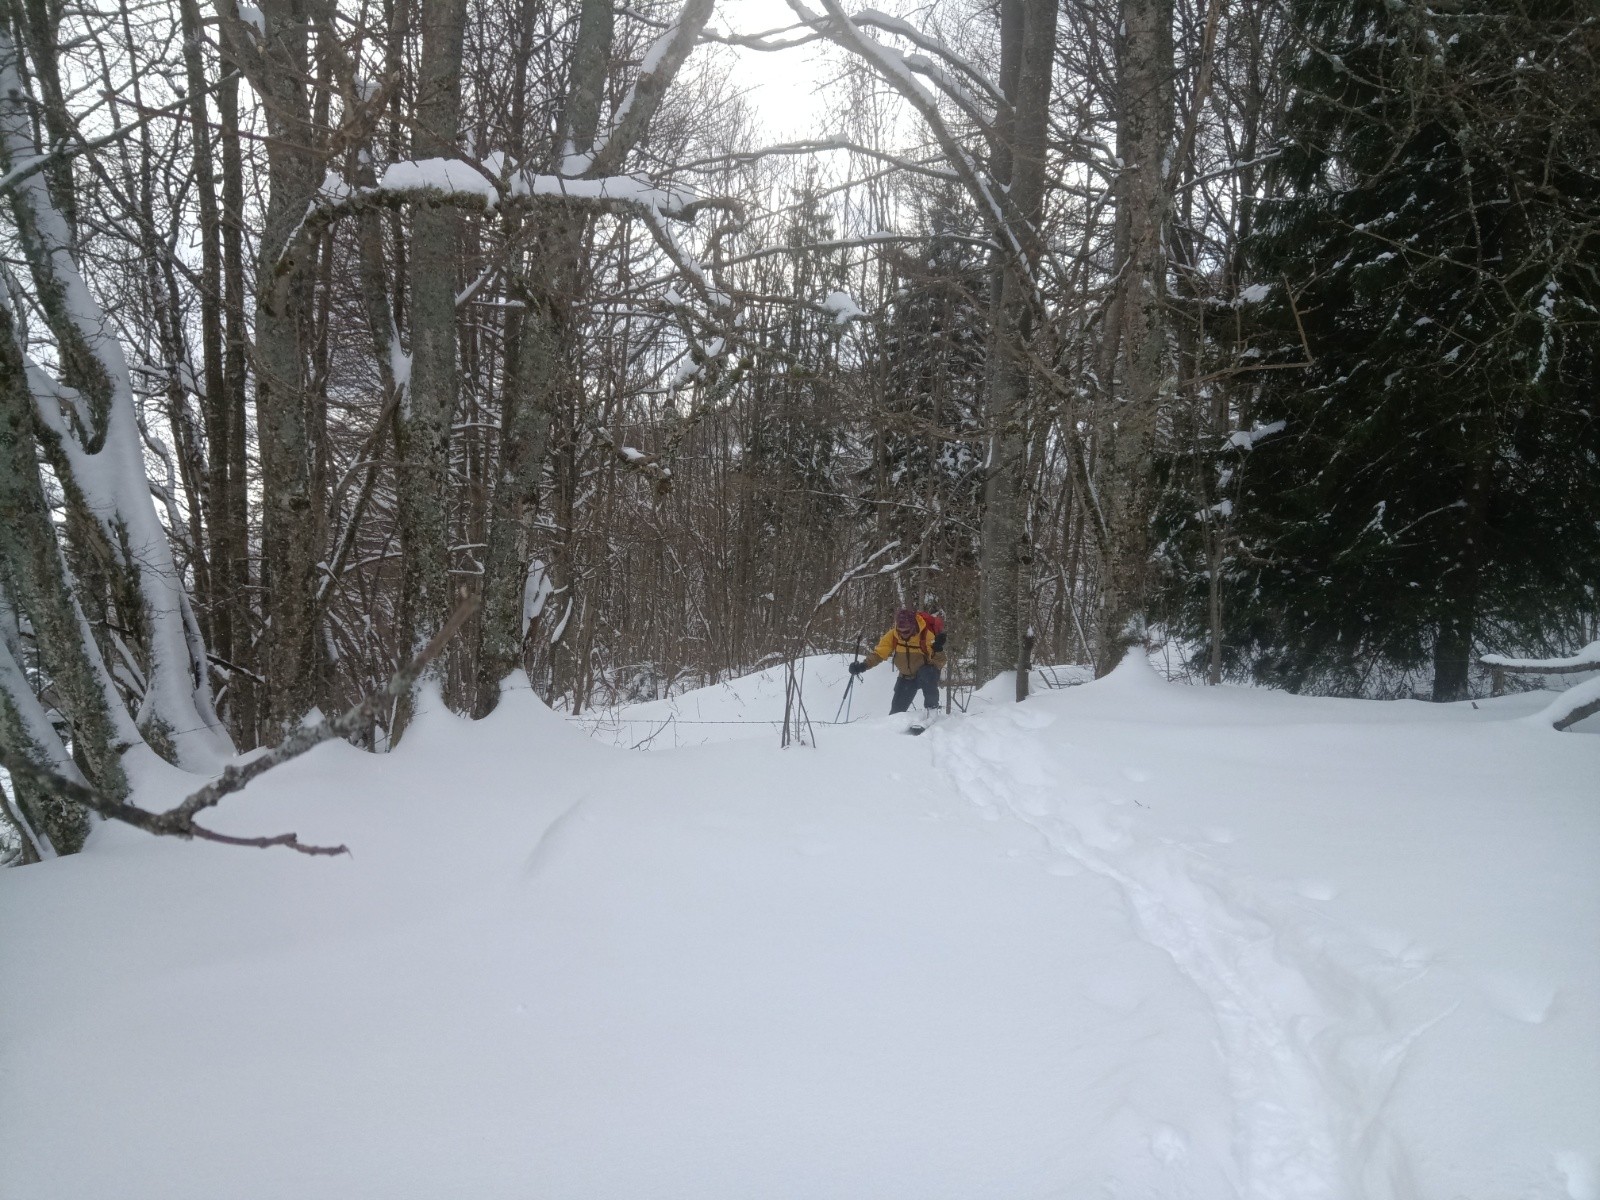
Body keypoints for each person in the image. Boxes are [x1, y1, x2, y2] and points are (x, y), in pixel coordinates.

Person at [849, 607, 947, 715]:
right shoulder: (893, 635)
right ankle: (895, 729)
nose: (903, 634)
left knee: (928, 672)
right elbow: (879, 654)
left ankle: (932, 711)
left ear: (913, 626)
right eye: (900, 631)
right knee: (895, 714)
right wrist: (863, 666)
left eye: (906, 631)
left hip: (924, 677)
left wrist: (938, 649)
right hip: (906, 678)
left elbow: (940, 662)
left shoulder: (926, 636)